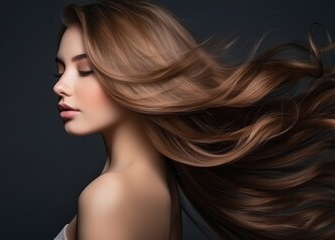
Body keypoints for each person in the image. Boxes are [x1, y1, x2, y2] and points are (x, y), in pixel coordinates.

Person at [52, 0, 335, 239]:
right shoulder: (161, 188)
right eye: (60, 71)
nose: (60, 85)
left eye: (85, 70)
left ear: (134, 76)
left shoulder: (108, 196)